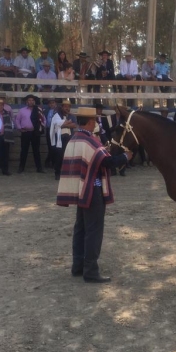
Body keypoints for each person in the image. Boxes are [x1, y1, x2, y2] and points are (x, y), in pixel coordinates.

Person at [56, 107, 132, 283]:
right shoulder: (90, 141)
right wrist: (125, 157)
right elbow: (107, 162)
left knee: (81, 229)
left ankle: (78, 266)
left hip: (81, 190)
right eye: (95, 120)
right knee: (93, 231)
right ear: (89, 122)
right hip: (92, 191)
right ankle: (90, 270)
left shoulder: (75, 138)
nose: (97, 123)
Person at [15, 94, 45, 173]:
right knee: (24, 150)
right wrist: (20, 128)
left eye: (32, 100)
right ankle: (21, 167)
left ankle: (39, 168)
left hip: (35, 132)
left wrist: (41, 127)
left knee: (36, 151)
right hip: (25, 132)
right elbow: (17, 120)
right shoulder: (22, 110)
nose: (30, 102)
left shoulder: (38, 110)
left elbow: (43, 119)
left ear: (34, 101)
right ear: (26, 102)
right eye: (29, 100)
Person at [50, 101, 78, 179]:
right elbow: (57, 125)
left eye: (68, 107)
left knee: (68, 155)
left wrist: (64, 124)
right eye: (65, 106)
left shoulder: (71, 116)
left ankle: (67, 171)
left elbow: (74, 125)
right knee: (59, 155)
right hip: (59, 138)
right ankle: (57, 172)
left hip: (69, 138)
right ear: (62, 107)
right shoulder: (57, 115)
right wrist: (66, 124)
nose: (67, 108)